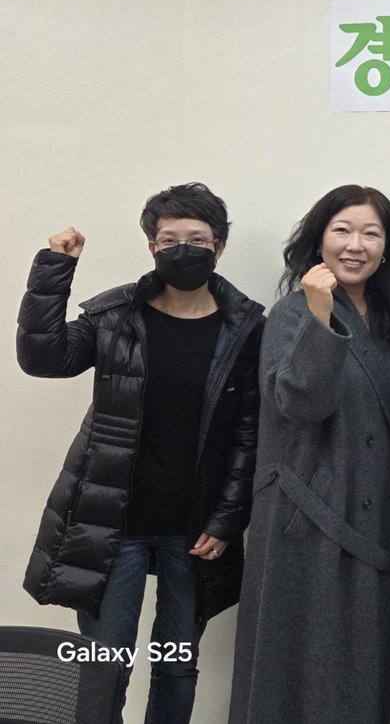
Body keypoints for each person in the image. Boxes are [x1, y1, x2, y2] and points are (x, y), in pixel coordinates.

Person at [16, 183, 264, 724]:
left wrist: (227, 520)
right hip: (113, 523)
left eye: (197, 239)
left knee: (177, 666)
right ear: (152, 246)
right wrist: (55, 269)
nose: (182, 250)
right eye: (168, 240)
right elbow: (43, 358)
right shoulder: (117, 315)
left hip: (193, 530)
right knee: (106, 664)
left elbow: (250, 435)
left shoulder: (246, 328)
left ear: (219, 246)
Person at [229, 185, 390, 724]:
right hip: (304, 518)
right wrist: (319, 314)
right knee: (294, 665)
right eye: (342, 231)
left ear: (387, 248)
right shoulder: (291, 313)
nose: (356, 245)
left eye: (371, 234)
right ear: (319, 241)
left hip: (374, 513)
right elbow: (301, 402)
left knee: (363, 667)